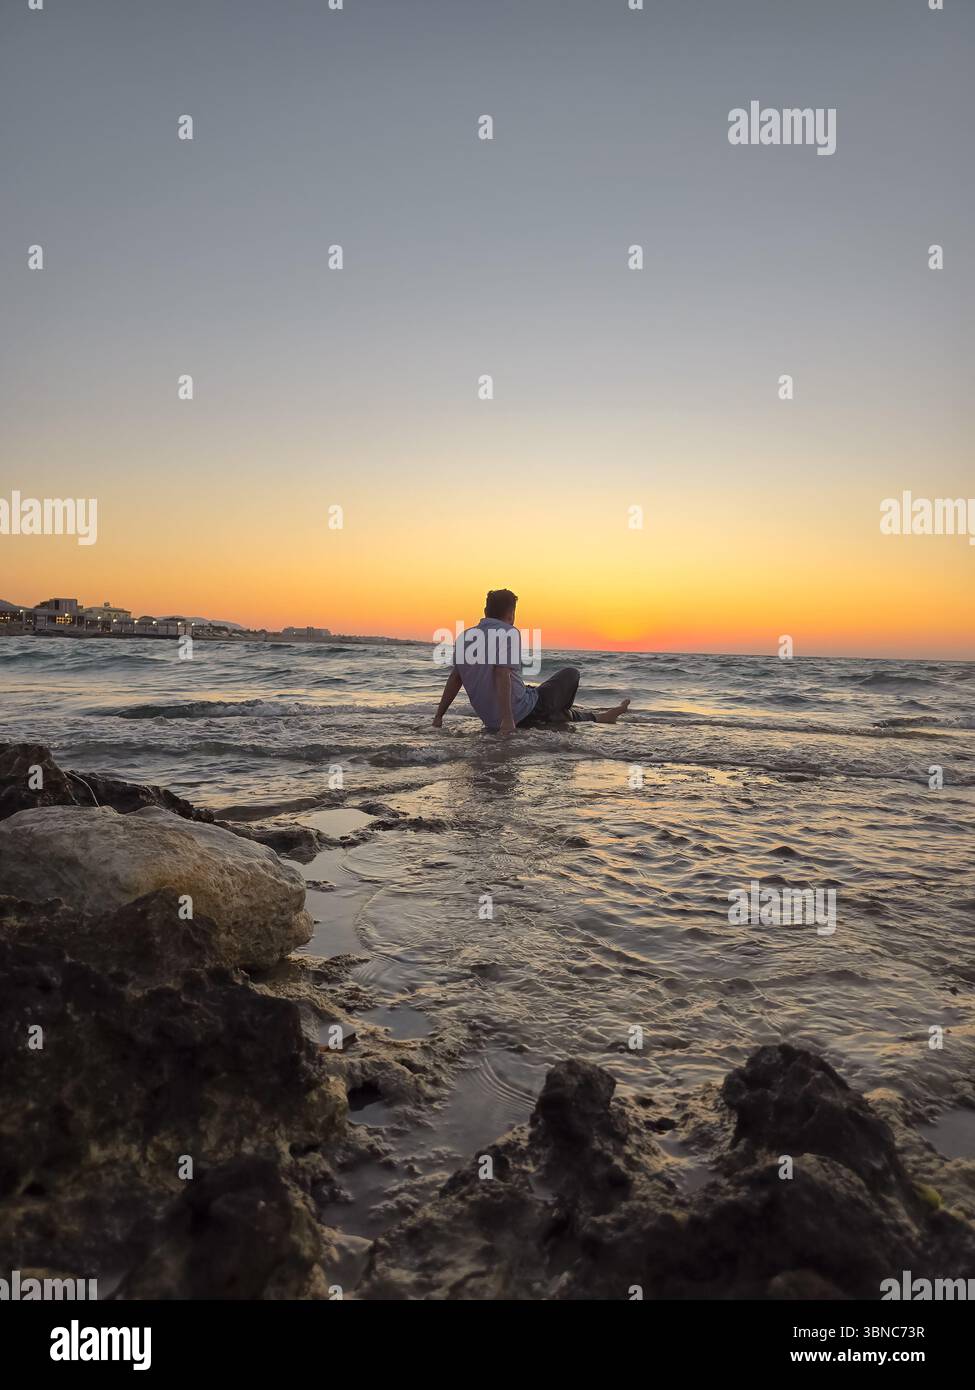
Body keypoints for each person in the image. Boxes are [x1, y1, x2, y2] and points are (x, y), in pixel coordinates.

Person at [432, 588, 630, 735]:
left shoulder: (465, 637)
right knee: (571, 673)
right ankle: (602, 717)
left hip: (491, 720)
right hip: (522, 714)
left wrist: (439, 716)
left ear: (485, 611)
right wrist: (508, 721)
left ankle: (597, 717)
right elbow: (502, 675)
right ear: (511, 614)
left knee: (538, 697)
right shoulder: (508, 632)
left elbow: (455, 679)